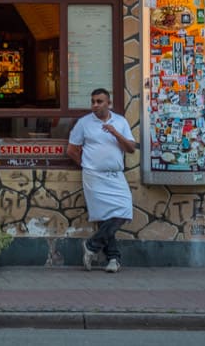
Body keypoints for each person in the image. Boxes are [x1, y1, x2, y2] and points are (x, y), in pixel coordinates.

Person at [66, 88, 138, 273]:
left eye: (99, 101)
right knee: (104, 217)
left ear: (109, 104)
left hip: (115, 175)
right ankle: (113, 259)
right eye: (93, 102)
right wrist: (87, 165)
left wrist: (115, 133)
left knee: (123, 211)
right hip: (94, 176)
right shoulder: (84, 123)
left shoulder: (120, 122)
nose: (95, 105)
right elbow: (72, 150)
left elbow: (131, 148)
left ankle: (91, 245)